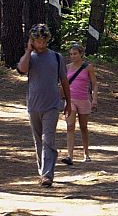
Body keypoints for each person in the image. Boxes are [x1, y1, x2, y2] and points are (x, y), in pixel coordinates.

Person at [17, 24, 70, 188]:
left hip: (52, 105)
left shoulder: (56, 57)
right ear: (32, 41)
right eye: (37, 40)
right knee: (38, 140)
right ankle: (42, 171)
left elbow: (64, 80)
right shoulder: (30, 57)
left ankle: (47, 175)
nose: (40, 43)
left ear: (47, 39)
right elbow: (21, 69)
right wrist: (27, 51)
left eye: (43, 40)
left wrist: (69, 101)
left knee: (48, 139)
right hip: (33, 105)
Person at [61, 42, 99, 165]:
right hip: (70, 100)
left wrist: (94, 99)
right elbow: (63, 83)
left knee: (83, 127)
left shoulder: (88, 67)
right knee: (70, 126)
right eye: (71, 54)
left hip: (84, 100)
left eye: (75, 54)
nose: (73, 56)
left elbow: (94, 84)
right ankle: (69, 156)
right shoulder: (66, 67)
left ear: (81, 54)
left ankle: (86, 153)